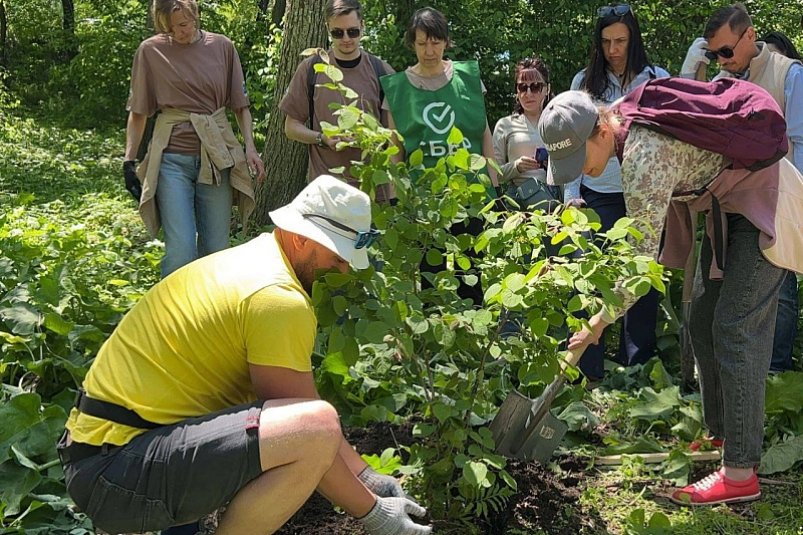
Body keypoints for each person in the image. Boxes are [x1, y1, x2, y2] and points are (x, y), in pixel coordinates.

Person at [57, 175, 431, 535]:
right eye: (337, 255)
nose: (345, 268)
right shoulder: (276, 298)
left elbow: (300, 408)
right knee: (312, 429)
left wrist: (365, 476)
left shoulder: (257, 260)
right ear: (302, 240)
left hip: (108, 451)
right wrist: (374, 514)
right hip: (115, 473)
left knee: (298, 426)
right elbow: (311, 430)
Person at [538, 89, 803, 505]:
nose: (582, 173)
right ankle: (723, 437)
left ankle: (740, 474)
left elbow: (640, 266)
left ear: (601, 129)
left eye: (579, 158)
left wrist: (595, 326)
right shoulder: (626, 118)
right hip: (730, 205)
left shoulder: (643, 156)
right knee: (702, 321)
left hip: (765, 198)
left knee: (736, 327)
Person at [681, 4, 802, 373]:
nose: (721, 59)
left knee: (772, 305)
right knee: (709, 316)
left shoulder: (789, 74)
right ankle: (733, 400)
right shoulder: (720, 79)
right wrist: (691, 71)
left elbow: (800, 143)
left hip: (772, 211)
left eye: (726, 51)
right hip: (725, 214)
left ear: (750, 35)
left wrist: (791, 213)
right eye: (714, 52)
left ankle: (776, 378)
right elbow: (685, 127)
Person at [563, 4, 669, 379]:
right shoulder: (583, 83)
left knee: (641, 280)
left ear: (633, 39)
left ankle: (637, 372)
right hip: (597, 195)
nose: (614, 49)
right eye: (606, 42)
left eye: (621, 40)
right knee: (595, 279)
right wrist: (570, 196)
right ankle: (589, 375)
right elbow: (570, 143)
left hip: (647, 198)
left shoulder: (655, 80)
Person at [124, 0, 265, 279]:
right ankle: (172, 317)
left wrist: (250, 147)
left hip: (215, 158)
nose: (180, 32)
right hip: (172, 160)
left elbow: (240, 106)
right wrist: (128, 160)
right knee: (181, 250)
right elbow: (138, 111)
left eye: (184, 24)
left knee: (216, 249)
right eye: (171, 28)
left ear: (196, 16)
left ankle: (210, 315)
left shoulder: (222, 47)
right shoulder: (151, 51)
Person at [380, 7, 499, 306]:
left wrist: (493, 185)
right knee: (428, 271)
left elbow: (483, 133)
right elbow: (395, 147)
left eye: (435, 42)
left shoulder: (468, 78)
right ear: (412, 43)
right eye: (422, 43)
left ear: (446, 41)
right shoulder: (397, 88)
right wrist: (396, 196)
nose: (429, 50)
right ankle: (431, 343)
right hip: (424, 197)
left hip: (470, 190)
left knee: (470, 269)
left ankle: (471, 336)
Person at [280, 0, 395, 202]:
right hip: (325, 191)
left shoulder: (381, 71)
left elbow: (394, 136)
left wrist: (368, 139)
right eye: (337, 33)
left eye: (352, 31)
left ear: (363, 26)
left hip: (374, 194)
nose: (346, 39)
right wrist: (322, 138)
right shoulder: (311, 69)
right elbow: (291, 127)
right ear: (327, 29)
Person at [492, 56, 560, 210]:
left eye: (535, 86)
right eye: (523, 87)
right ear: (517, 91)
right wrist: (516, 167)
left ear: (547, 89)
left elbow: (573, 170)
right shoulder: (505, 125)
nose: (528, 93)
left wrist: (552, 164)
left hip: (553, 201)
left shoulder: (558, 124)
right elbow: (493, 174)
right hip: (518, 201)